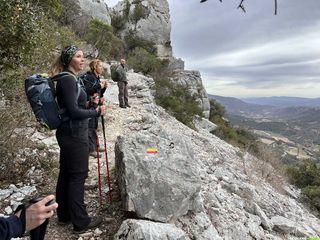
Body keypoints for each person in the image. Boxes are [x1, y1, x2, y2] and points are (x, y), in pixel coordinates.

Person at [50, 45, 105, 234]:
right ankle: (80, 222)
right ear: (68, 59)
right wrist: (95, 111)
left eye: (83, 57)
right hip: (74, 135)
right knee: (77, 176)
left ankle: (64, 215)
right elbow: (73, 111)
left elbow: (72, 105)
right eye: (78, 56)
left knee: (66, 173)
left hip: (68, 133)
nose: (82, 60)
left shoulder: (69, 79)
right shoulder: (68, 80)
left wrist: (90, 103)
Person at [83, 59, 107, 158]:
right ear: (94, 67)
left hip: (95, 104)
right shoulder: (89, 77)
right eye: (100, 66)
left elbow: (97, 92)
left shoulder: (96, 78)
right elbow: (88, 90)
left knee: (94, 126)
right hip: (89, 105)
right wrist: (99, 85)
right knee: (90, 127)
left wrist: (103, 88)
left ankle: (96, 146)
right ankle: (91, 149)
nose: (102, 68)